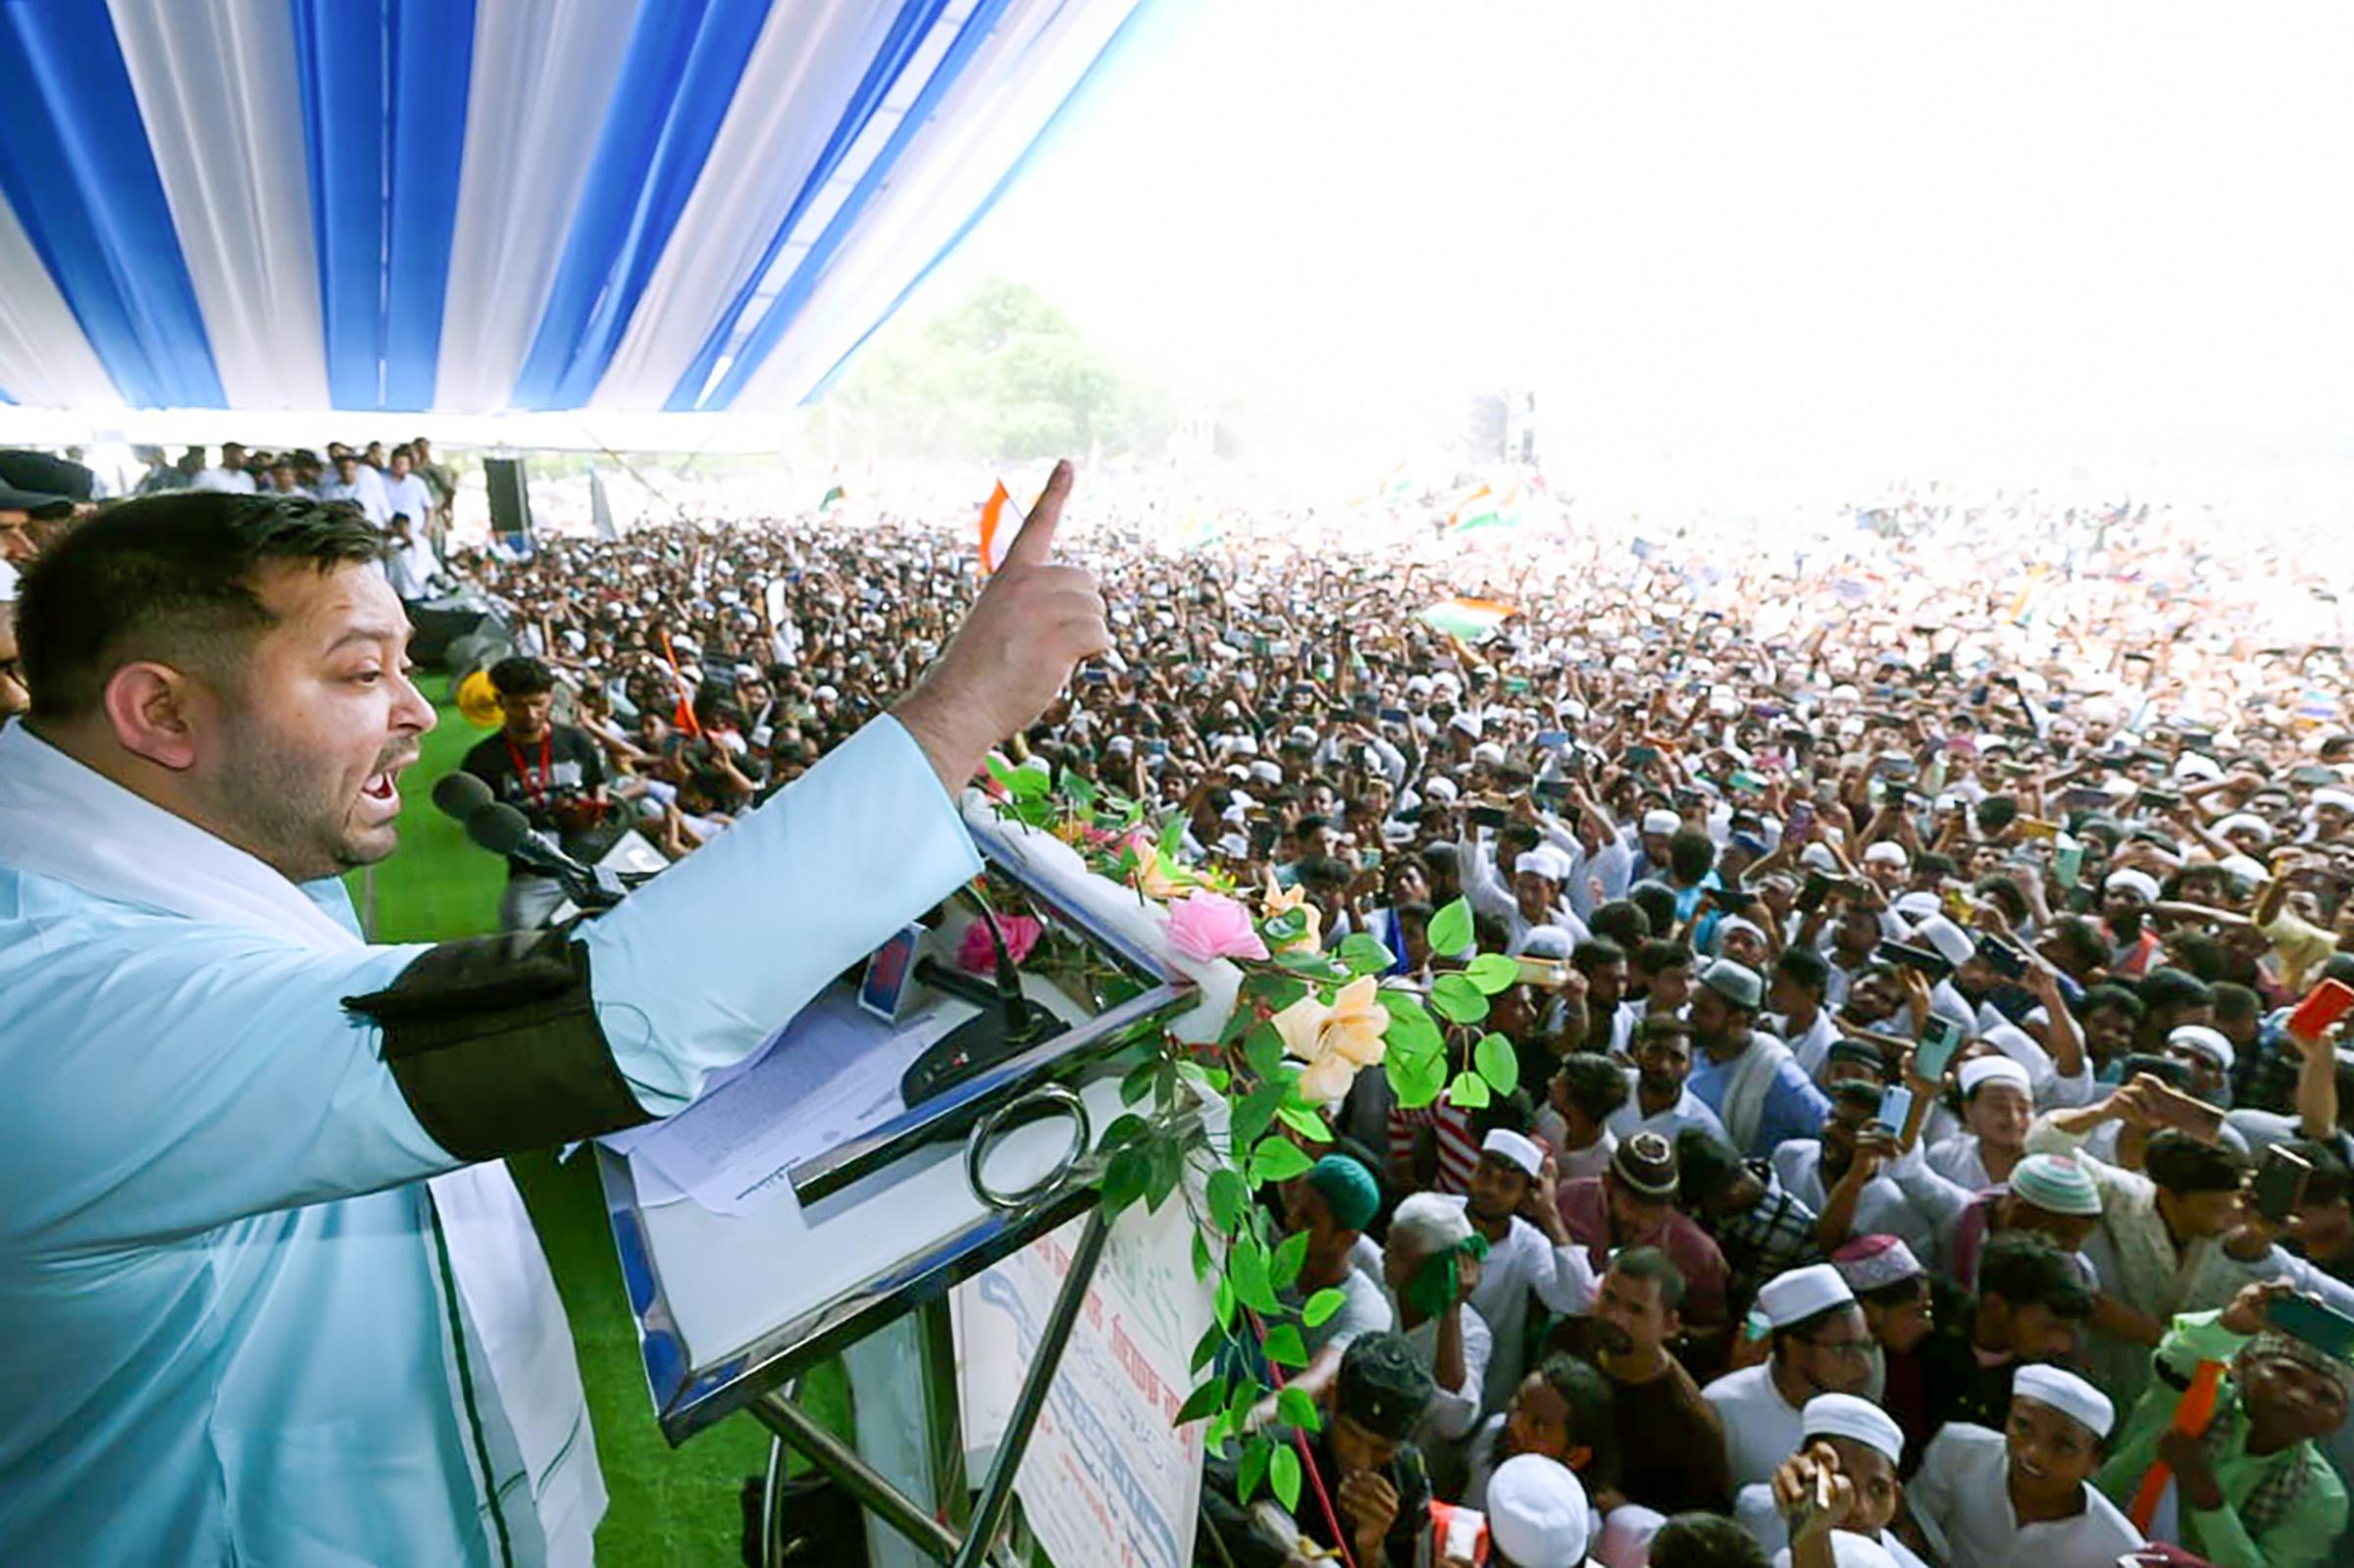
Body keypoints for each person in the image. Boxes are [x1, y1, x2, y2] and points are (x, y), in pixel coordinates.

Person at [0, 469, 1107, 1563]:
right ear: (160, 712)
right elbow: (596, 1019)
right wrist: (962, 708)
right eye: (358, 673)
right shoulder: (55, 1001)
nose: (417, 712)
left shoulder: (182, 864)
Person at [2095, 1280, 2351, 1568]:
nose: (2301, 1397)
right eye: (2286, 1374)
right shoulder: (2194, 1394)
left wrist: (2206, 1494)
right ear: (2242, 1368)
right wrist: (2233, 1324)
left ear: (2338, 1420)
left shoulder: (2320, 1495)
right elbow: (2180, 1357)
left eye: (2326, 1396)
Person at [1203, 1332, 1436, 1568]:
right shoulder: (1287, 1451)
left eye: (1382, 1449)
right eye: (1352, 1435)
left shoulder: (1405, 1478)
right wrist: (1277, 1555)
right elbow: (1201, 1489)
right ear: (1332, 1398)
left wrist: (1372, 1549)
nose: (1361, 1461)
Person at [1906, 1364, 2143, 1568]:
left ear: (2093, 1462)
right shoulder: (1959, 1450)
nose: (2033, 1453)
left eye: (2062, 1445)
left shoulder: (2118, 1547)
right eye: (2023, 1426)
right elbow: (1915, 1524)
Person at [459, 654, 614, 931]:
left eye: (537, 703)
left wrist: (593, 810)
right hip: (533, 877)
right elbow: (482, 825)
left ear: (551, 698)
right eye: (517, 706)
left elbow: (597, 783)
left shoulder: (576, 741)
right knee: (518, 945)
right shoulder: (482, 759)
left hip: (590, 867)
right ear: (500, 701)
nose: (529, 714)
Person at [1456, 1129, 1604, 1414]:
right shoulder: (1437, 1214)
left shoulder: (1528, 1245)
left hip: (1491, 1393)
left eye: (1507, 1185)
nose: (1490, 1189)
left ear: (1525, 1197)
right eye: (1484, 1174)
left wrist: (1549, 1214)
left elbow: (1578, 1301)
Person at [1703, 1264, 1874, 1491]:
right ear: (1792, 1345)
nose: (1864, 1366)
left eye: (1865, 1346)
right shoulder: (1723, 1407)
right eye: (1843, 1348)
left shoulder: (1855, 1409)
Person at [1560, 1132, 1733, 1355]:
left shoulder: (1697, 1252)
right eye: (1634, 1205)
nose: (1644, 1221)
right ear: (1607, 1184)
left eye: (1657, 1210)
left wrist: (1665, 1334)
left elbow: (1715, 1329)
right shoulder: (1567, 1201)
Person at [1743, 1393, 1925, 1568]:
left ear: (1897, 1497)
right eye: (1841, 1481)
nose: (1860, 1509)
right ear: (1801, 1467)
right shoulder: (1754, 1511)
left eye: (1878, 1491)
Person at [1685, 959, 1831, 1160]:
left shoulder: (1775, 1072)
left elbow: (1828, 1129)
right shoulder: (1692, 1051)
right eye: (1693, 1006)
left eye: (1705, 1012)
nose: (1691, 1016)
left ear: (1740, 1020)